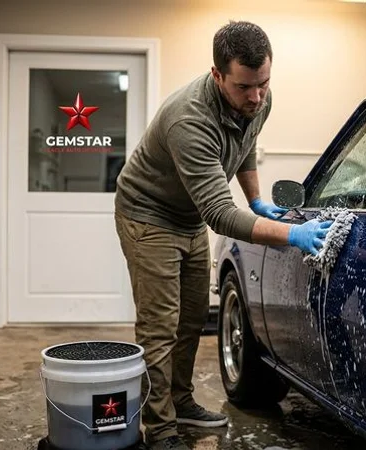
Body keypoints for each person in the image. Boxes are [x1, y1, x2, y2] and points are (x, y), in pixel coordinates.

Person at [113, 20, 332, 450]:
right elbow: (218, 213)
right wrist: (291, 233)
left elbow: (246, 142)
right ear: (217, 75)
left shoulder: (257, 100)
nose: (256, 96)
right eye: (244, 87)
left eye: (263, 84)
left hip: (187, 215)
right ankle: (160, 430)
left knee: (193, 318)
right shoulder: (187, 120)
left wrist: (256, 201)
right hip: (148, 215)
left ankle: (181, 401)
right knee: (161, 326)